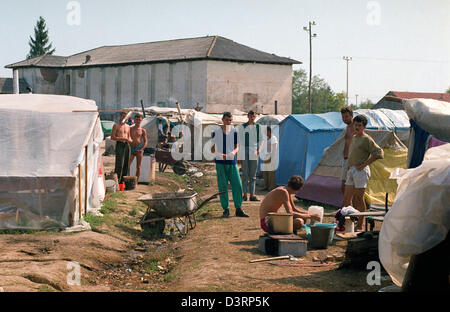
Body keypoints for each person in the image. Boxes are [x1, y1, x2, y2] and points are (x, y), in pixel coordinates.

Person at [343, 115, 384, 231]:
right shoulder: (354, 137)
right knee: (347, 198)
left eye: (359, 125)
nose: (356, 127)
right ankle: (349, 223)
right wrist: (349, 165)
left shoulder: (367, 139)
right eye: (355, 125)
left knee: (359, 198)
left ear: (364, 127)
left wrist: (364, 164)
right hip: (351, 170)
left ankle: (360, 224)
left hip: (361, 171)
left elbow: (379, 153)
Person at [211, 112, 249, 218]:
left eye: (230, 120)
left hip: (232, 161)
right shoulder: (216, 132)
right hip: (220, 162)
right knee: (222, 186)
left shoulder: (234, 131)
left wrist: (233, 152)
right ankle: (226, 209)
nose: (229, 122)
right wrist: (220, 154)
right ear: (222, 119)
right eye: (227, 120)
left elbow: (237, 147)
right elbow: (212, 149)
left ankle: (238, 209)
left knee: (237, 185)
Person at [240, 111, 262, 202]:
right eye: (251, 116)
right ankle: (244, 195)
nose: (252, 117)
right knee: (245, 173)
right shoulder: (243, 126)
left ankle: (252, 195)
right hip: (244, 149)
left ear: (255, 117)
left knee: (253, 174)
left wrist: (258, 150)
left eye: (254, 116)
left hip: (254, 149)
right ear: (248, 116)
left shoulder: (258, 127)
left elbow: (261, 139)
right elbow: (239, 139)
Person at [111, 111, 132, 183]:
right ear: (120, 116)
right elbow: (112, 137)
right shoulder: (116, 125)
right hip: (120, 144)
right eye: (122, 116)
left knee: (126, 163)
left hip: (127, 145)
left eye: (125, 117)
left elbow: (129, 137)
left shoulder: (128, 126)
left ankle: (123, 181)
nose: (124, 118)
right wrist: (122, 139)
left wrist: (130, 140)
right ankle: (117, 181)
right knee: (119, 163)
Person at [340, 106, 355, 197]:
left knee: (350, 186)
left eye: (346, 117)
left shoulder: (355, 127)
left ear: (351, 116)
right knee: (343, 186)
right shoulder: (347, 128)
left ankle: (350, 207)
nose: (344, 119)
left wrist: (351, 161)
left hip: (352, 160)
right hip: (345, 160)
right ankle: (347, 206)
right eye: (343, 117)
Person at [129, 113, 148, 182]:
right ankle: (126, 179)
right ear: (134, 120)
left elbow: (146, 141)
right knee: (128, 165)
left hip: (139, 148)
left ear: (141, 120)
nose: (138, 121)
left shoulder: (143, 130)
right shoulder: (130, 128)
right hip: (131, 147)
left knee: (138, 166)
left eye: (139, 119)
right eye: (136, 119)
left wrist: (141, 149)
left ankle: (136, 182)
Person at [260, 126, 278, 191]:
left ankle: (271, 187)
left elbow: (274, 148)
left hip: (271, 157)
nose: (265, 133)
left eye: (266, 131)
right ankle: (266, 186)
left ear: (269, 131)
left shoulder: (273, 138)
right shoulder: (266, 139)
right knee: (266, 173)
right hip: (266, 157)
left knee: (271, 173)